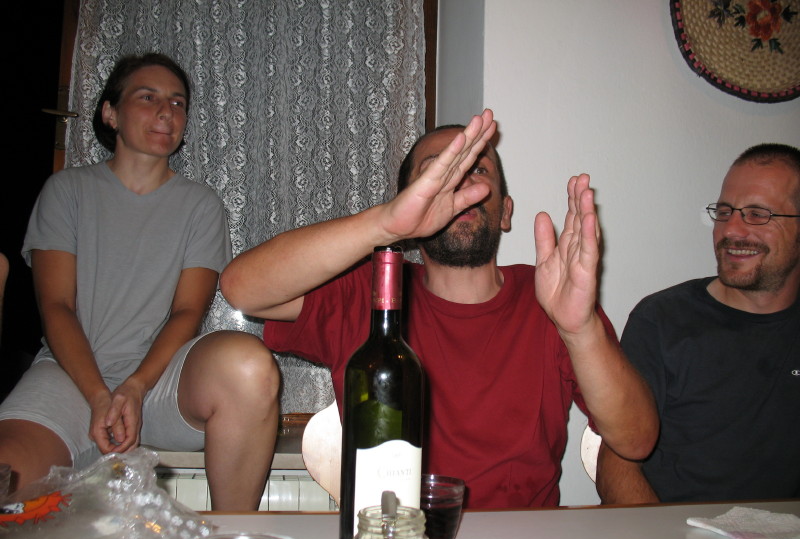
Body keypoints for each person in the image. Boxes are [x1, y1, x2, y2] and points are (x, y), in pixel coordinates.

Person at [220, 110, 658, 508]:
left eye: (477, 171)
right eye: (439, 172)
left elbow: (636, 440)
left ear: (505, 211)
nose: (459, 187)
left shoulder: (553, 297)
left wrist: (580, 329)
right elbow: (242, 288)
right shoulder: (374, 295)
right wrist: (384, 224)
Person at [0, 53, 279, 511]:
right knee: (7, 473)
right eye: (148, 97)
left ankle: (232, 538)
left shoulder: (202, 206)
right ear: (110, 113)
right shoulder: (67, 191)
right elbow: (56, 307)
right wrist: (98, 396)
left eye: (178, 102)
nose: (166, 111)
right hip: (70, 376)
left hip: (159, 382)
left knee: (247, 364)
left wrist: (134, 387)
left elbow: (187, 313)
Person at [596, 143, 800, 504]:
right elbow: (617, 461)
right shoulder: (662, 320)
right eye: (724, 212)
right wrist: (661, 537)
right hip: (677, 530)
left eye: (756, 214)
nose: (731, 230)